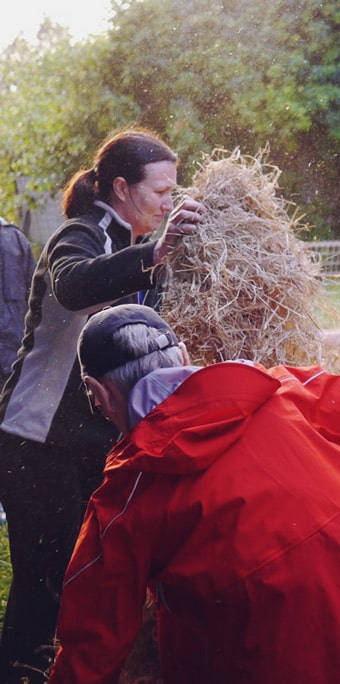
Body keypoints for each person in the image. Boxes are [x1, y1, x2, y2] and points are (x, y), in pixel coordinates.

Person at [47, 304, 340, 683]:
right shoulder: (278, 392)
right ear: (182, 357)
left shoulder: (127, 496)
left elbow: (92, 646)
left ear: (99, 393)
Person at [0, 128, 205, 682]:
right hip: (36, 439)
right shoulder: (79, 236)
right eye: (160, 191)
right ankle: (21, 670)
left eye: (173, 191)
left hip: (93, 440)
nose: (170, 203)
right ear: (121, 187)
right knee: (46, 577)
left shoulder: (146, 254)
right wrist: (155, 252)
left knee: (91, 569)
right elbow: (71, 287)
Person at [0, 218, 34, 386]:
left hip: (15, 354)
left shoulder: (15, 238)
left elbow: (35, 295)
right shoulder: (15, 238)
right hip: (16, 352)